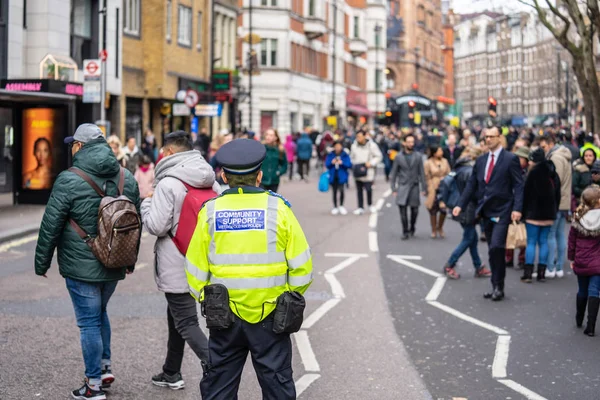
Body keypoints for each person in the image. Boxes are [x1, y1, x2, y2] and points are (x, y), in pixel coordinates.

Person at [185, 138, 313, 400]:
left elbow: (195, 270)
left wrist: (207, 299)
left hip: (224, 317)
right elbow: (302, 267)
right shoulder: (279, 209)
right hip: (271, 315)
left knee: (219, 388)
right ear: (260, 175)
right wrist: (286, 296)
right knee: (278, 389)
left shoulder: (210, 212)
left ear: (223, 175)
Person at [34, 124, 140, 400]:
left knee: (89, 322)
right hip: (114, 261)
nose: (71, 147)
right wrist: (130, 261)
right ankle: (104, 368)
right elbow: (134, 224)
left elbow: (51, 224)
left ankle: (93, 385)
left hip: (81, 265)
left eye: (73, 144)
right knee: (100, 313)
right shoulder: (126, 177)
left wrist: (41, 263)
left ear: (80, 147)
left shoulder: (69, 179)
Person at [140, 131, 216, 390]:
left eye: (163, 151)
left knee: (186, 322)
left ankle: (217, 368)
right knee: (177, 317)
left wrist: (145, 205)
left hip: (176, 261)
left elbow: (156, 226)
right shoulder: (210, 181)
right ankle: (171, 371)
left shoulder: (168, 183)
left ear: (170, 152)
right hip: (202, 259)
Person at [453, 126, 524, 301]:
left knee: (496, 247)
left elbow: (518, 185)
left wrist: (517, 208)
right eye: (486, 137)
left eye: (492, 136)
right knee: (492, 249)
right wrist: (459, 205)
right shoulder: (481, 160)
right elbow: (472, 185)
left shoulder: (510, 159)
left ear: (499, 138)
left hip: (503, 209)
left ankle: (499, 286)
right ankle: (495, 285)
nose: (488, 139)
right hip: (486, 211)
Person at [440, 148, 491, 279]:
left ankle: (478, 266)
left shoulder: (460, 168)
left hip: (460, 207)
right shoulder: (470, 172)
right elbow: (474, 193)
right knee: (468, 238)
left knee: (472, 239)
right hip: (468, 209)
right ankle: (450, 264)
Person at [520, 148, 561, 283]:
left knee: (531, 242)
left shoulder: (532, 174)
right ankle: (542, 273)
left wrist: (523, 212)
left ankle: (528, 273)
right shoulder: (553, 173)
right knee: (544, 242)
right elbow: (557, 194)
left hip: (533, 213)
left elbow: (525, 194)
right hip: (549, 213)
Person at [539, 134, 572, 279]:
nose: (543, 150)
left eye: (544, 146)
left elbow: (553, 182)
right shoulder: (564, 156)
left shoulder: (555, 159)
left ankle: (551, 267)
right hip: (564, 201)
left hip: (556, 202)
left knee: (551, 235)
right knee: (559, 234)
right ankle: (558, 267)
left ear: (550, 144)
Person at [569, 186, 600, 336]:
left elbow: (571, 241)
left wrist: (571, 257)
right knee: (594, 291)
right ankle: (591, 326)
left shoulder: (578, 217)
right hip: (597, 261)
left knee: (582, 289)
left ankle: (579, 317)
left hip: (581, 259)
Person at [390, 134, 427, 240]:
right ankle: (405, 231)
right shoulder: (398, 156)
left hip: (414, 186)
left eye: (412, 142)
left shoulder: (418, 156)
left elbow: (422, 173)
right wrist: (393, 188)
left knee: (415, 210)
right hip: (402, 185)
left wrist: (423, 188)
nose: (411, 144)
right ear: (404, 143)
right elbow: (394, 173)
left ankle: (412, 227)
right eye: (409, 142)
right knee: (402, 210)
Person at [505, 146, 530, 269]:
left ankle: (521, 258)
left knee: (522, 234)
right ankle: (508, 257)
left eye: (521, 158)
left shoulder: (528, 174)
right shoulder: (511, 170)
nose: (518, 160)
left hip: (524, 207)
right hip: (510, 205)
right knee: (510, 232)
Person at [350, 130, 383, 215]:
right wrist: (354, 164)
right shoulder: (354, 146)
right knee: (359, 190)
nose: (358, 138)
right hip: (358, 170)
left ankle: (370, 204)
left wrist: (371, 163)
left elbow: (379, 156)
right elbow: (352, 157)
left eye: (360, 136)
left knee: (368, 189)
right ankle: (360, 207)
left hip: (368, 170)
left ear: (365, 136)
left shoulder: (372, 146)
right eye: (357, 137)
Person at [424, 145, 451, 238]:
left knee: (443, 210)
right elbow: (426, 176)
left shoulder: (445, 161)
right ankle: (434, 229)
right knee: (433, 209)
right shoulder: (428, 163)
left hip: (444, 187)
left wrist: (446, 179)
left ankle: (440, 227)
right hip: (433, 187)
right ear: (434, 153)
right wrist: (428, 186)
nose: (441, 152)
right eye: (439, 151)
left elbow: (449, 173)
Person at [325, 141, 352, 215]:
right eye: (336, 146)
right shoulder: (331, 155)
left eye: (339, 146)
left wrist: (342, 163)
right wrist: (332, 162)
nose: (337, 148)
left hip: (342, 175)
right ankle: (335, 207)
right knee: (334, 192)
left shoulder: (345, 154)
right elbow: (327, 164)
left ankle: (341, 206)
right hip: (333, 175)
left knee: (342, 191)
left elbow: (349, 164)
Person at [260, 128, 287, 193]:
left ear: (275, 137)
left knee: (271, 201)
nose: (268, 137)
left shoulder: (280, 150)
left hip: (274, 181)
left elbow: (284, 165)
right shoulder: (260, 148)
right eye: (267, 135)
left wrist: (278, 172)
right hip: (261, 180)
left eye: (271, 135)